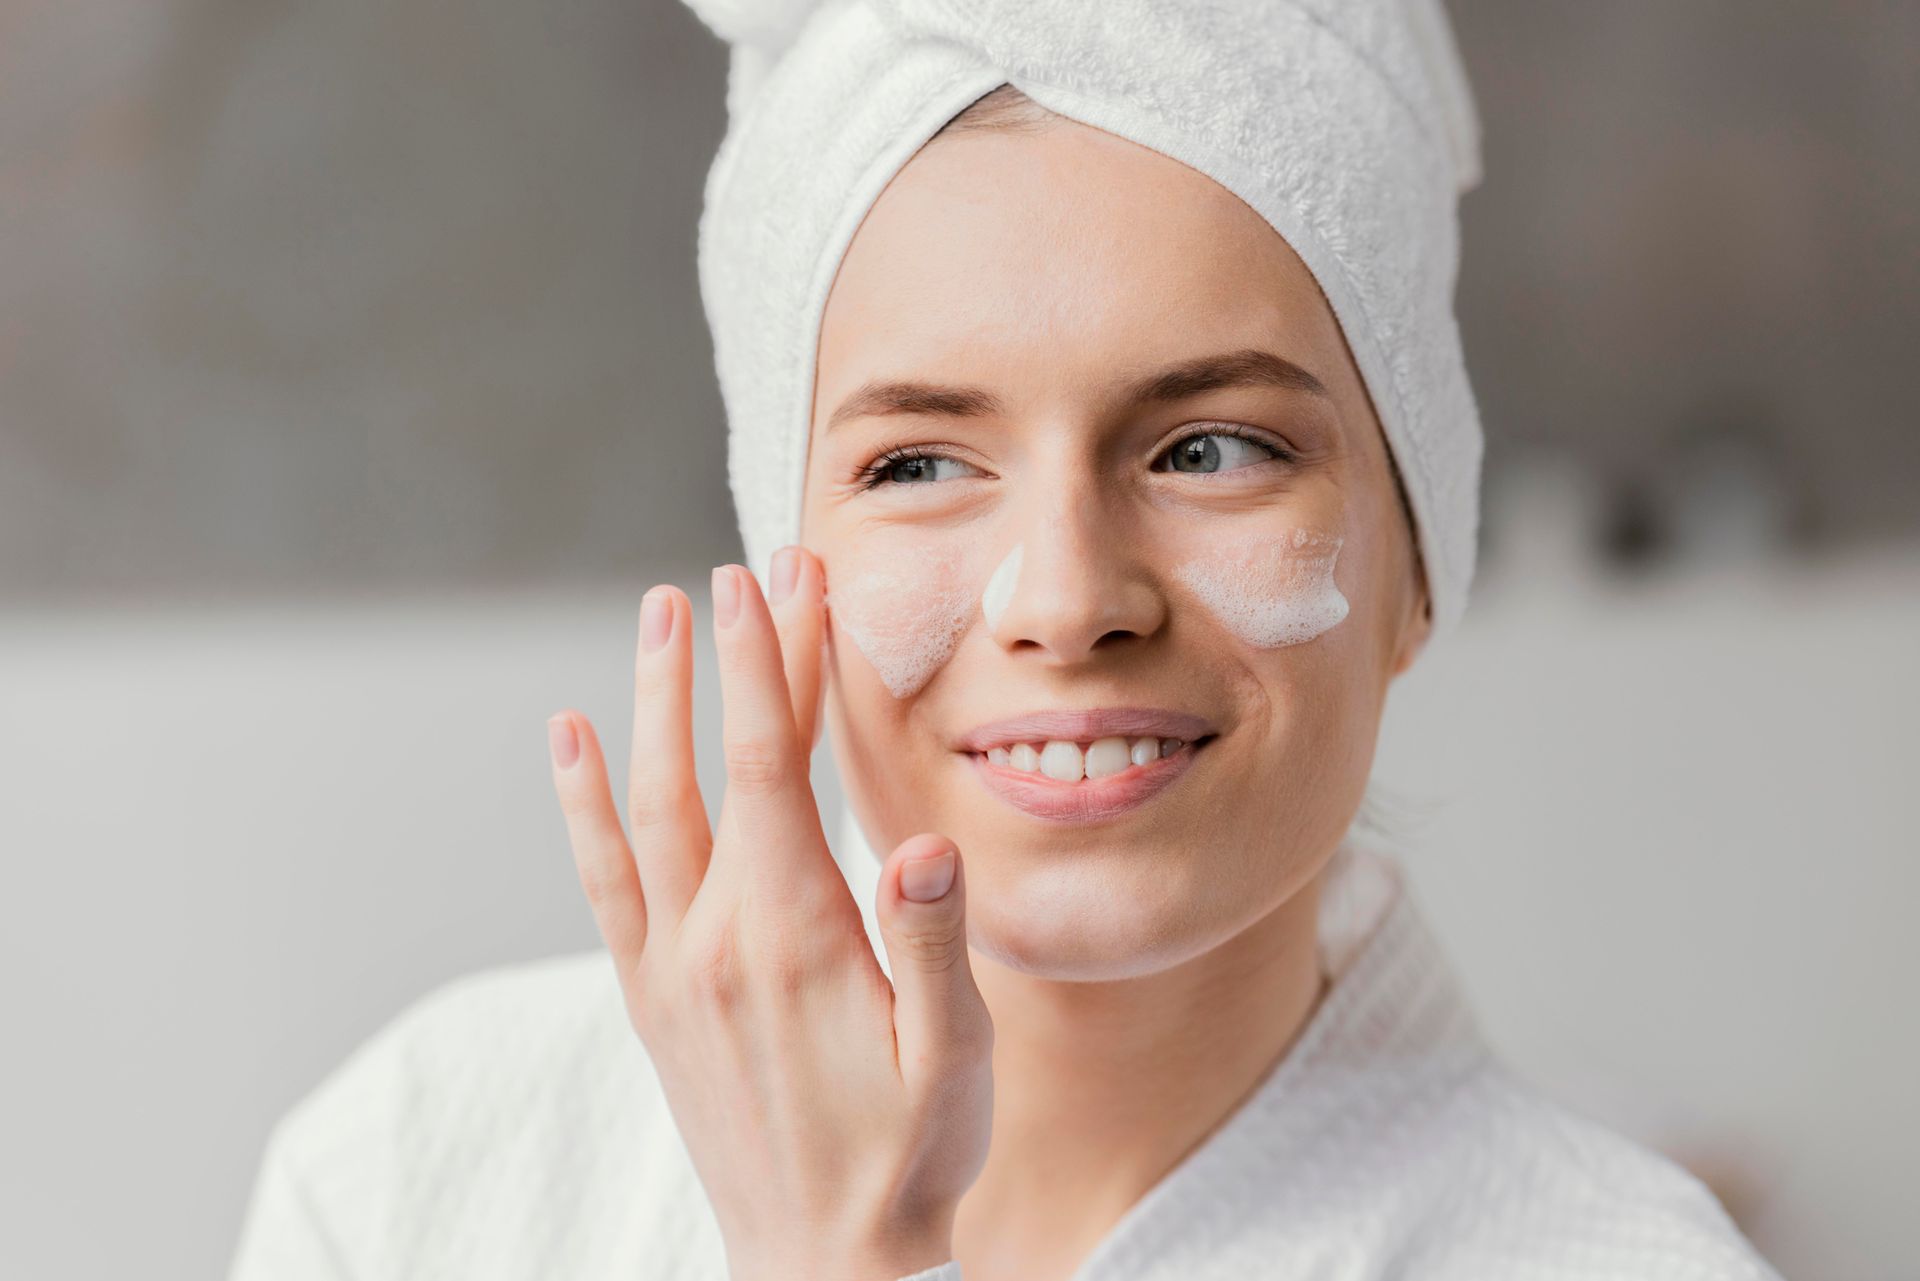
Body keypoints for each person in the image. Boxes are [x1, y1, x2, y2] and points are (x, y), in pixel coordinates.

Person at [229, 3, 1785, 1279]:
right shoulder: (416, 1178)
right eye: (918, 464)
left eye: (1211, 446)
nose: (1063, 594)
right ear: (790, 561)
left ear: (1417, 564)